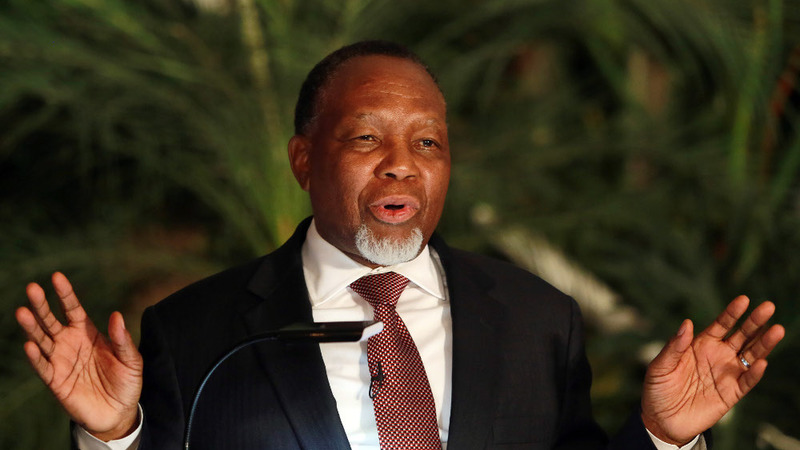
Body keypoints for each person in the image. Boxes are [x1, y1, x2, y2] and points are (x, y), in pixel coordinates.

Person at [16, 41, 785, 449]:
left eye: (427, 142)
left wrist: (661, 439)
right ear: (303, 160)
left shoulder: (537, 320)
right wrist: (112, 437)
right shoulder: (197, 330)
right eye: (365, 138)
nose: (401, 164)